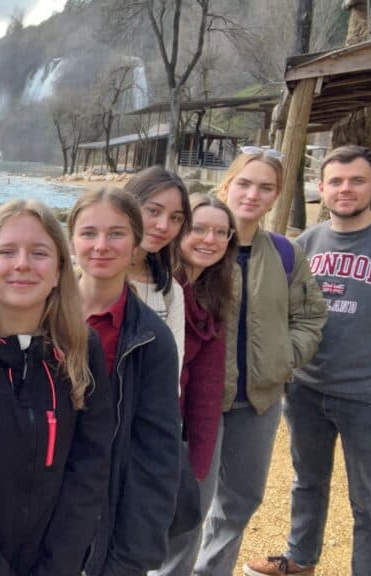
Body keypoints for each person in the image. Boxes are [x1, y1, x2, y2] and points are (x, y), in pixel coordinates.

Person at [245, 146, 371, 576]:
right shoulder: (306, 243)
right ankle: (300, 559)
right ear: (322, 189)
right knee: (306, 482)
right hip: (307, 391)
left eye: (357, 181)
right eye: (336, 182)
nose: (345, 189)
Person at [0, 199, 112, 576]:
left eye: (39, 252)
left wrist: (59, 564)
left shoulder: (82, 349)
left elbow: (90, 467)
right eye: (7, 251)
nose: (22, 264)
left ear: (61, 267)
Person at [192, 148, 326, 576]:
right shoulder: (199, 246)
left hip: (259, 401)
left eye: (265, 187)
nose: (252, 194)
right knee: (190, 500)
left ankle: (209, 571)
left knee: (240, 499)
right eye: (244, 183)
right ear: (226, 184)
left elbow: (310, 314)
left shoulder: (286, 254)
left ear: (275, 197)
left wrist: (284, 358)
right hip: (200, 399)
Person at [72, 188, 182, 576]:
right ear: (71, 240)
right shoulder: (35, 314)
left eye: (116, 233)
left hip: (104, 510)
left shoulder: (151, 338)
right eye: (88, 233)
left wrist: (130, 558)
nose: (101, 245)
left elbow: (157, 454)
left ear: (137, 243)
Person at [152, 193, 239, 576]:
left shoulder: (212, 294)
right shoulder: (158, 288)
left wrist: (200, 458)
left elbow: (208, 383)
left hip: (188, 427)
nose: (210, 239)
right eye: (199, 228)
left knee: (189, 517)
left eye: (221, 232)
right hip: (152, 426)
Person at [123, 167, 191, 371]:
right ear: (127, 206)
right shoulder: (81, 278)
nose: (163, 225)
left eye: (175, 218)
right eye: (153, 211)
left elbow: (171, 371)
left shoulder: (170, 292)